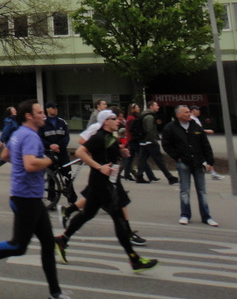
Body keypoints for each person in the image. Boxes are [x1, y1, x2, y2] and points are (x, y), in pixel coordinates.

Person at [0, 100, 68, 298]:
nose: (43, 115)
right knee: (18, 246)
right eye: (40, 112)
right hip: (26, 198)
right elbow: (30, 164)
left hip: (29, 196)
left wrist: (22, 165)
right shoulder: (31, 137)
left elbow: (7, 154)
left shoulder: (19, 133)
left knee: (46, 243)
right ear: (29, 115)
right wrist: (49, 160)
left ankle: (55, 292)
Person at [54, 109, 158, 272]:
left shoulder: (112, 137)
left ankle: (62, 239)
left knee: (87, 214)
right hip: (102, 183)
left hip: (106, 182)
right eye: (113, 118)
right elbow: (81, 152)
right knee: (119, 219)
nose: (117, 121)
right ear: (105, 122)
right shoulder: (99, 137)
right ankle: (134, 259)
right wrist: (99, 166)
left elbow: (111, 154)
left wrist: (122, 152)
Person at [161, 105, 218, 227]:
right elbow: (166, 144)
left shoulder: (195, 126)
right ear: (178, 115)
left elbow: (205, 144)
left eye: (189, 112)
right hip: (184, 163)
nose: (189, 114)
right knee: (184, 190)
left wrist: (209, 162)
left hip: (198, 163)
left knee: (202, 191)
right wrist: (177, 157)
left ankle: (206, 216)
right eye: (186, 112)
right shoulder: (170, 128)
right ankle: (185, 215)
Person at [136, 100, 179, 185]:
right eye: (156, 105)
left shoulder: (144, 115)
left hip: (144, 141)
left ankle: (139, 176)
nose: (158, 107)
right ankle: (169, 177)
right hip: (150, 142)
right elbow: (149, 130)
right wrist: (153, 140)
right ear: (151, 106)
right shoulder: (149, 117)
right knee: (159, 160)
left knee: (142, 160)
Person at [40, 101, 70, 207]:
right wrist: (50, 145)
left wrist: (58, 146)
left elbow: (66, 137)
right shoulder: (42, 123)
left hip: (62, 153)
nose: (55, 110)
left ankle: (72, 200)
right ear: (48, 109)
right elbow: (40, 138)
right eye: (53, 108)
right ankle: (51, 199)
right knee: (51, 178)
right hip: (49, 153)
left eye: (56, 108)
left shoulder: (62, 122)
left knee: (68, 176)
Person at [189, 105, 224, 180]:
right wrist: (207, 131)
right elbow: (196, 130)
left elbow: (199, 129)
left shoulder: (196, 119)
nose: (199, 111)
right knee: (201, 158)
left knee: (202, 158)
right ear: (192, 111)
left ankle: (212, 172)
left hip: (199, 141)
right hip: (195, 143)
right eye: (197, 110)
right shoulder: (191, 119)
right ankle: (212, 173)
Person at [0, 106, 20, 170]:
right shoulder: (9, 121)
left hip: (15, 141)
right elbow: (5, 132)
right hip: (11, 142)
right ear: (10, 112)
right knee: (14, 156)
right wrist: (2, 140)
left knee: (10, 156)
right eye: (14, 110)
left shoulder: (14, 120)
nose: (15, 111)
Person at [122, 103, 142, 181]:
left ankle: (127, 174)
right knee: (141, 157)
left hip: (131, 139)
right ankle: (147, 174)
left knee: (130, 158)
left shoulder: (132, 117)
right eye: (137, 107)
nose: (138, 108)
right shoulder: (131, 118)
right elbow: (132, 129)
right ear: (133, 109)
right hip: (133, 140)